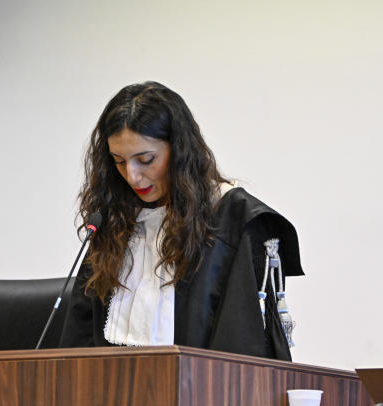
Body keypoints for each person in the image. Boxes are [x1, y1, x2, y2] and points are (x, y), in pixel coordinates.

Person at [59, 81, 302, 359]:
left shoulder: (234, 220)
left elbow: (243, 349)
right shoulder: (113, 220)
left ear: (179, 151)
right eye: (119, 161)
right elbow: (77, 346)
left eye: (146, 159)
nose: (132, 176)